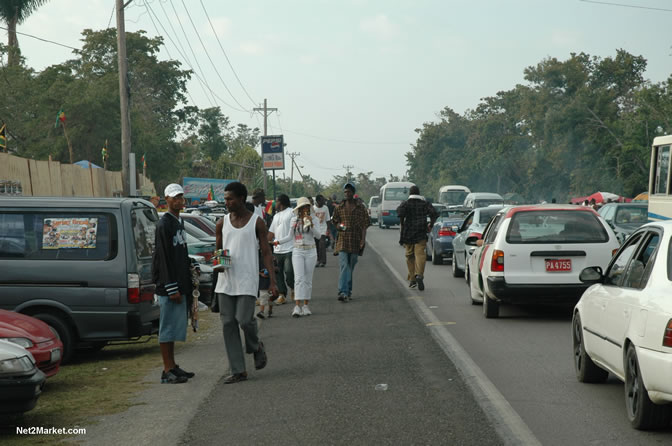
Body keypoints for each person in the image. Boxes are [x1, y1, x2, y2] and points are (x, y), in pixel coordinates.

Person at [215, 182, 278, 384]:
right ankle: (238, 370)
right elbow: (219, 251)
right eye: (225, 199)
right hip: (226, 281)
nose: (227, 203)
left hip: (247, 279)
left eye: (230, 199)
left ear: (242, 198)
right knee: (227, 323)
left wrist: (272, 282)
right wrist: (220, 264)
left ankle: (256, 346)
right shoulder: (221, 223)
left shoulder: (257, 222)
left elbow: (266, 252)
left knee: (244, 320)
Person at [152, 183, 195, 384]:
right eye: (174, 197)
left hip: (180, 282)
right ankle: (166, 369)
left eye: (181, 197)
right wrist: (171, 287)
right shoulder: (164, 224)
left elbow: (180, 254)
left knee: (175, 328)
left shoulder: (179, 222)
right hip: (169, 286)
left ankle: (173, 366)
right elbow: (163, 257)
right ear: (166, 199)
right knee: (167, 328)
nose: (179, 200)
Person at [274, 197, 320, 317]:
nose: (305, 209)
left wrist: (311, 224)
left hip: (311, 250)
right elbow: (289, 236)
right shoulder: (294, 220)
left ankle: (306, 305)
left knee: (308, 280)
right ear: (299, 209)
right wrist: (277, 241)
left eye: (307, 207)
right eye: (302, 207)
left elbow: (319, 236)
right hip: (298, 250)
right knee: (299, 279)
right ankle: (297, 306)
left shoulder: (314, 218)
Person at [331, 182, 370, 301]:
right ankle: (342, 291)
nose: (347, 194)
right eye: (345, 192)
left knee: (351, 265)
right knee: (344, 265)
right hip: (343, 240)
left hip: (355, 240)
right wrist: (341, 227)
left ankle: (348, 290)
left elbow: (365, 225)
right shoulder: (339, 207)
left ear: (353, 193)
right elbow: (335, 221)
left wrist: (363, 240)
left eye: (349, 191)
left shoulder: (360, 208)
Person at [397, 185, 438, 291]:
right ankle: (419, 275)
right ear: (419, 193)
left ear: (410, 194)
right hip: (421, 232)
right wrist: (431, 224)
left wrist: (402, 224)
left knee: (409, 256)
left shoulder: (405, 204)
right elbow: (434, 213)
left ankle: (412, 279)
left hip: (409, 232)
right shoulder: (424, 204)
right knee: (420, 255)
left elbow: (400, 213)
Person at [267, 194, 295, 305]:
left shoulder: (291, 212)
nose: (275, 204)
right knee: (277, 273)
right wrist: (264, 243)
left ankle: (293, 289)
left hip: (289, 248)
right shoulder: (276, 216)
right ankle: (282, 295)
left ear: (281, 202)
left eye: (276, 201)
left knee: (289, 271)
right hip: (277, 250)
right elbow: (271, 232)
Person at [313, 194, 333, 267]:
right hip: (315, 230)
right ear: (318, 201)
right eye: (322, 201)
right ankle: (317, 260)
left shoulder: (325, 208)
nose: (323, 202)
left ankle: (322, 261)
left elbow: (328, 219)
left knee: (322, 245)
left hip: (322, 229)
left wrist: (328, 229)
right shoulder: (313, 209)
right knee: (316, 246)